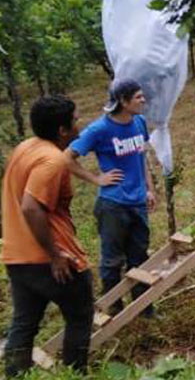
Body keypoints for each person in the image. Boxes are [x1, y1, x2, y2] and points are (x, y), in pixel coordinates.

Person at [0, 95, 116, 376]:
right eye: (75, 120)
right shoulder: (53, 161)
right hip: (52, 257)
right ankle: (75, 373)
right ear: (62, 131)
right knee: (80, 316)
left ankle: (15, 375)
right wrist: (54, 255)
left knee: (24, 324)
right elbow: (30, 206)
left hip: (17, 256)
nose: (79, 123)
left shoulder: (25, 148)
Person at [64, 78, 156, 314]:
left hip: (138, 201)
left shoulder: (140, 122)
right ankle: (114, 309)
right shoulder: (99, 129)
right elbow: (67, 158)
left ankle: (143, 308)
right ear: (123, 101)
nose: (143, 100)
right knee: (112, 260)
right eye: (138, 97)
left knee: (140, 256)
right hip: (113, 204)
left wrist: (149, 188)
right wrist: (97, 179)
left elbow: (141, 157)